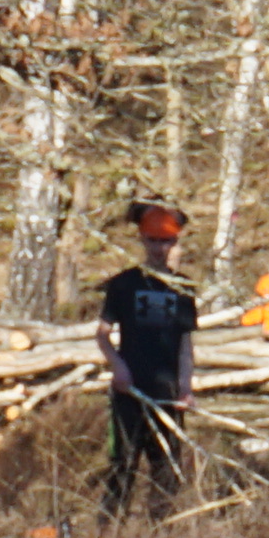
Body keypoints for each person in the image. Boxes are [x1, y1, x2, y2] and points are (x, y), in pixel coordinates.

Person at [94, 199, 204, 519]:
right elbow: (102, 334)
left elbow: (185, 343)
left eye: (166, 241)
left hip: (167, 393)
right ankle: (108, 529)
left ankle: (160, 533)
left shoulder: (183, 288)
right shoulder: (123, 284)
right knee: (123, 464)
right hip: (129, 391)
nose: (159, 248)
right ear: (142, 239)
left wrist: (185, 388)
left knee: (167, 469)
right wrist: (118, 366)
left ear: (175, 242)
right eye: (153, 240)